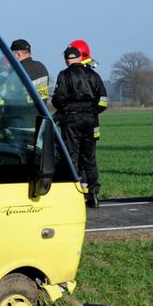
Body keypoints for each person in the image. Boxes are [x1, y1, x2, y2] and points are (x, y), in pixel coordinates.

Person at [52, 44, 108, 208]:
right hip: (90, 120)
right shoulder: (94, 74)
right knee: (89, 159)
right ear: (80, 58)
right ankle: (94, 195)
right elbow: (103, 101)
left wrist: (66, 110)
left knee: (72, 156)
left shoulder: (64, 75)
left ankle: (74, 196)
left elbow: (58, 99)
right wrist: (92, 111)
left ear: (66, 60)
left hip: (72, 120)